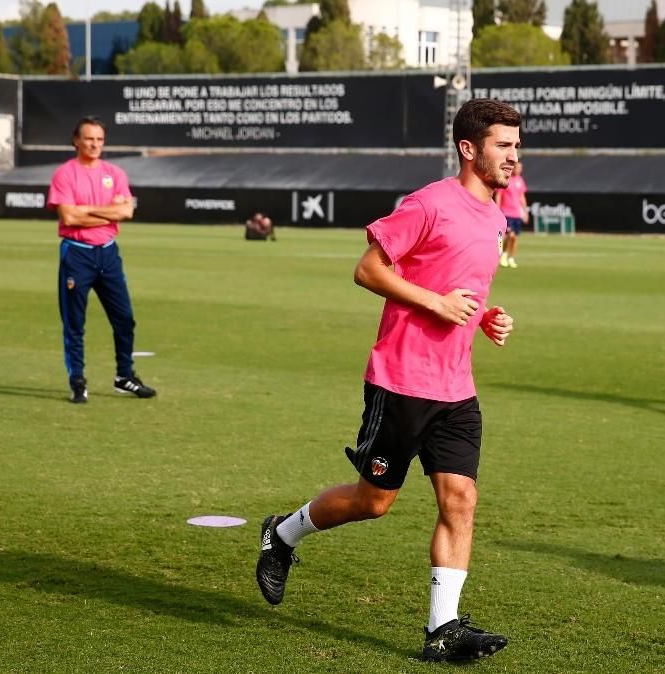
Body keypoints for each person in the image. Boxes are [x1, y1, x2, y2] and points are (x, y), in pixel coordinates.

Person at [256, 99, 518, 662]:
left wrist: (486, 316)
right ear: (469, 149)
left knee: (461, 499)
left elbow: (462, 291)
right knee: (374, 502)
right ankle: (282, 534)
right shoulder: (428, 203)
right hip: (401, 380)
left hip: (457, 387)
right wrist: (437, 302)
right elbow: (368, 269)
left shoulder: (496, 215)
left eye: (517, 146)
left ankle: (440, 628)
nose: (513, 157)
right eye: (503, 145)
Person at [47, 116, 156, 404]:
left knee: (124, 319)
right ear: (76, 141)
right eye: (89, 138)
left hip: (108, 253)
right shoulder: (65, 174)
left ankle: (124, 377)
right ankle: (78, 381)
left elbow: (126, 212)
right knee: (75, 323)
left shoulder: (115, 173)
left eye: (99, 139)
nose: (94, 144)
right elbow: (68, 216)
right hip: (76, 253)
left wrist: (88, 211)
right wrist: (107, 210)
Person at [494, 160, 528, 268]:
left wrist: (525, 211)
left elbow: (522, 196)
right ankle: (503, 254)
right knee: (509, 235)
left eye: (520, 168)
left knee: (515, 238)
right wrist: (497, 209)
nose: (519, 170)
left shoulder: (520, 181)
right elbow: (499, 195)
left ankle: (511, 257)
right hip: (506, 212)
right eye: (517, 168)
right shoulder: (505, 179)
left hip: (516, 214)